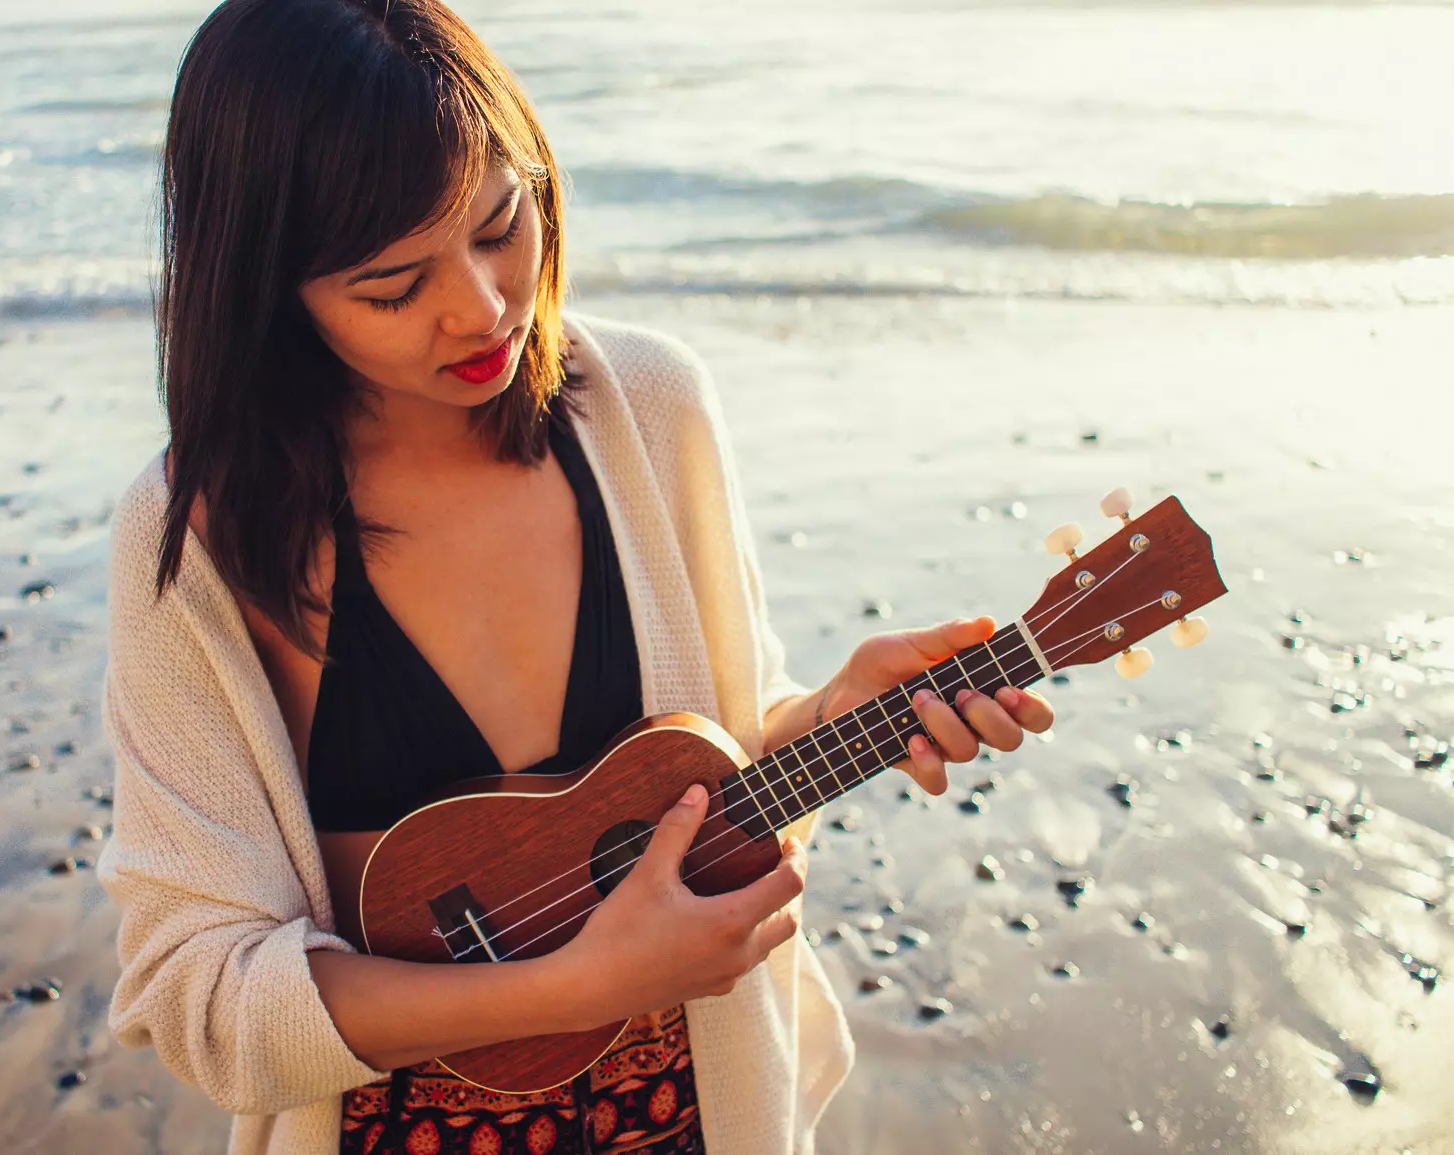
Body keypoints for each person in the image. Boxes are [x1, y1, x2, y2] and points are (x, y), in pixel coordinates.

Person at [96, 1, 1054, 1153]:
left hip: (693, 1118)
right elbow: (199, 998)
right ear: (266, 289)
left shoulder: (650, 411)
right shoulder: (199, 537)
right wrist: (567, 992)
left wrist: (830, 719)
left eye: (502, 223)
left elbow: (707, 791)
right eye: (393, 285)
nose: (482, 306)